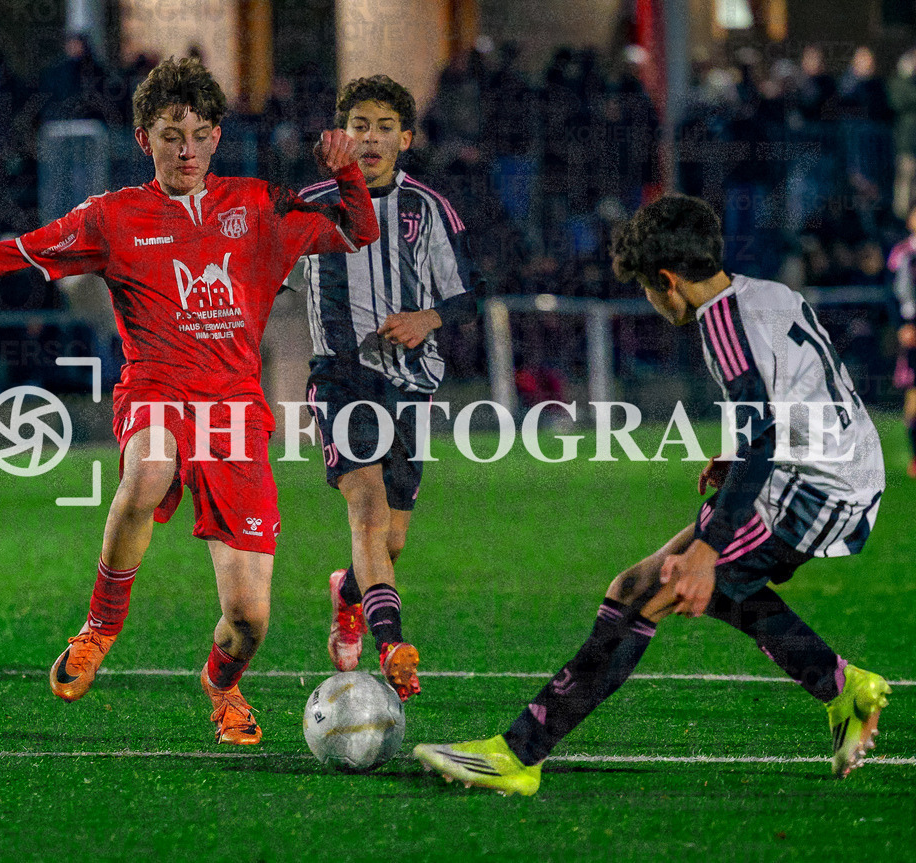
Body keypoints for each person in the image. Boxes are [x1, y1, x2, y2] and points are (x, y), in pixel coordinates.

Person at [0, 57, 378, 744]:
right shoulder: (112, 217)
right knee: (148, 469)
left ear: (216, 137)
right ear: (143, 137)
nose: (187, 149)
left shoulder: (260, 205)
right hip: (156, 388)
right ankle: (98, 628)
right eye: (171, 134)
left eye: (201, 134)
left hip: (236, 414)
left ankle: (221, 685)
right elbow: (6, 254)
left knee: (249, 620)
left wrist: (349, 172)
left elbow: (357, 230)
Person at [415, 194, 889, 794]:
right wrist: (745, 456)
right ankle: (842, 686)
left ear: (667, 281)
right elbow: (804, 389)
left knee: (663, 590)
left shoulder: (723, 324)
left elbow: (766, 429)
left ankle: (518, 755)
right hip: (824, 467)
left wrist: (709, 546)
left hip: (820, 491)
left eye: (644, 286)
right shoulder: (765, 293)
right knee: (638, 585)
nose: (647, 298)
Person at [285, 75, 479, 701]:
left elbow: (466, 290)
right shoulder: (310, 204)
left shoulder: (429, 208)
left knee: (390, 541)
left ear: (407, 138)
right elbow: (259, 272)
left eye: (385, 127)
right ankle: (393, 644)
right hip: (339, 381)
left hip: (411, 387)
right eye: (359, 126)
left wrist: (427, 320)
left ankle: (349, 595)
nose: (370, 138)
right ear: (341, 134)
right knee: (366, 512)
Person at [886, 205, 916, 478]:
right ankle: (915, 456)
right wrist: (902, 326)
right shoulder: (902, 254)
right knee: (913, 395)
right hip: (913, 329)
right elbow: (892, 295)